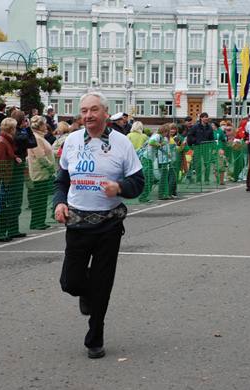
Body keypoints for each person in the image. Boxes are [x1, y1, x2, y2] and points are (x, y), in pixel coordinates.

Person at [53, 92, 144, 359]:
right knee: (70, 282)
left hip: (109, 226)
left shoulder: (122, 143)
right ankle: (86, 294)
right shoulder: (70, 141)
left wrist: (120, 187)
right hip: (77, 224)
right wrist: (59, 203)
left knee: (102, 284)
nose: (88, 116)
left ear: (105, 113)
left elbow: (138, 183)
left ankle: (95, 337)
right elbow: (61, 181)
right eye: (84, 111)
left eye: (94, 110)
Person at [0, 118, 20, 241]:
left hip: (6, 178)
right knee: (1, 206)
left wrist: (14, 157)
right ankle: (0, 232)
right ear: (11, 129)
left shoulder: (6, 141)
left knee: (4, 206)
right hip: (2, 179)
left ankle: (2, 231)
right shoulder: (2, 142)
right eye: (15, 128)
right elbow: (0, 163)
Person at [10, 110, 38, 239]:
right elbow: (33, 143)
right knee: (15, 199)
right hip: (15, 168)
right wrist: (29, 129)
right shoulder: (19, 134)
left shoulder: (15, 132)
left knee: (15, 199)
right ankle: (11, 229)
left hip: (16, 167)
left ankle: (13, 228)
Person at [27, 115, 56, 230]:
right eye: (44, 124)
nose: (46, 126)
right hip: (40, 173)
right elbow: (41, 157)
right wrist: (51, 167)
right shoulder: (37, 138)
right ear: (40, 126)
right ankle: (37, 222)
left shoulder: (39, 137)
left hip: (43, 172)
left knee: (41, 198)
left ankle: (39, 221)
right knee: (39, 199)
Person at [186, 112, 214, 184]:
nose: (206, 118)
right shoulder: (195, 126)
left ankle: (207, 179)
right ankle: (198, 180)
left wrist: (212, 146)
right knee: (198, 164)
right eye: (204, 117)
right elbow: (190, 135)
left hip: (206, 146)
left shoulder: (210, 127)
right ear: (201, 118)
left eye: (207, 117)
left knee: (207, 163)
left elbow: (212, 138)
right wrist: (194, 141)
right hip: (197, 146)